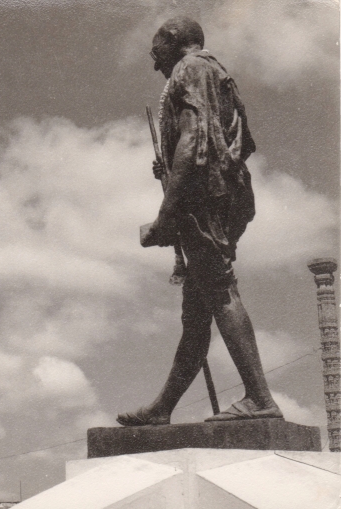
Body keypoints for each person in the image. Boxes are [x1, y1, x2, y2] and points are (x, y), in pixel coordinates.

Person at [117, 16, 282, 426]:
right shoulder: (216, 73)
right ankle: (162, 409)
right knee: (196, 315)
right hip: (216, 194)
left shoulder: (191, 69)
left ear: (173, 42)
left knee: (219, 289)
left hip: (203, 200)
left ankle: (260, 398)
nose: (155, 64)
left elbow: (193, 141)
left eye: (157, 54)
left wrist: (166, 213)